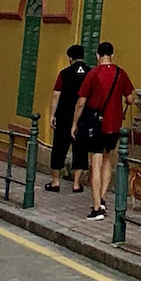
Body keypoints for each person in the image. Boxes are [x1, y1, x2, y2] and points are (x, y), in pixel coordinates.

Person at [70, 41, 134, 220]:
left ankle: (97, 207)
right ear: (111, 55)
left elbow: (81, 101)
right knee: (108, 160)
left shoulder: (93, 74)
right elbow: (129, 98)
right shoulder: (120, 74)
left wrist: (74, 124)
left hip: (96, 124)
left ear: (98, 56)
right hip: (113, 125)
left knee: (95, 163)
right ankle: (104, 197)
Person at [45, 44, 87, 193]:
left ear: (70, 58)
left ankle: (55, 182)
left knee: (59, 148)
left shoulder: (64, 74)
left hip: (64, 115)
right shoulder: (90, 73)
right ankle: (76, 184)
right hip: (83, 117)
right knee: (80, 150)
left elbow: (56, 95)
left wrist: (52, 115)